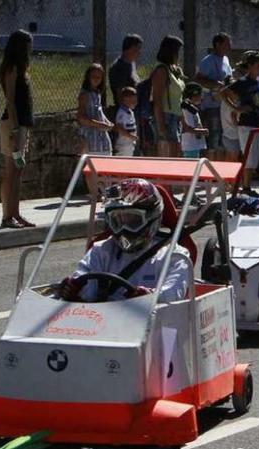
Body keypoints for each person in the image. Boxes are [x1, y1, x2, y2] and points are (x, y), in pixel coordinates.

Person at [58, 178, 191, 304]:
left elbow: (173, 294)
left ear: (152, 219)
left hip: (153, 322)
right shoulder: (100, 251)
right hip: (103, 322)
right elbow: (84, 286)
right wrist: (73, 290)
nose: (124, 229)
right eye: (118, 221)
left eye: (133, 221)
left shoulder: (174, 256)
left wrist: (149, 297)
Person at [0, 29, 34, 229]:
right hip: (14, 124)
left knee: (19, 169)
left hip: (22, 124)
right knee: (11, 170)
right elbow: (10, 101)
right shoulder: (11, 68)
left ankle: (16, 213)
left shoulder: (21, 69)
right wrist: (13, 129)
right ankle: (7, 216)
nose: (30, 48)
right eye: (28, 44)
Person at [224, 51, 259, 191]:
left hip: (258, 122)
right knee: (249, 156)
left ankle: (247, 185)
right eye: (257, 65)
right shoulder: (243, 82)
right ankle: (246, 187)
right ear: (250, 66)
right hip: (247, 123)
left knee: (255, 157)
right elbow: (224, 93)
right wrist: (237, 108)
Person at [195, 32, 233, 159]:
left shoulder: (226, 60)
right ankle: (208, 167)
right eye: (227, 43)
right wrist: (214, 84)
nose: (230, 46)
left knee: (223, 139)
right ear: (218, 44)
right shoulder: (208, 61)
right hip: (211, 106)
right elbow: (199, 79)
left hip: (224, 105)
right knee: (213, 138)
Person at [151, 36, 187, 157]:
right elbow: (157, 99)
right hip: (165, 117)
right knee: (169, 155)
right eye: (177, 51)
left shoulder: (173, 69)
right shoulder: (161, 70)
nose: (179, 55)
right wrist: (161, 126)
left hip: (175, 117)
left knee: (176, 154)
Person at [77, 63, 114, 156]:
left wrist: (107, 122)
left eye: (99, 77)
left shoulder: (97, 94)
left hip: (102, 138)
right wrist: (99, 124)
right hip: (91, 139)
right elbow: (81, 118)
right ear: (88, 77)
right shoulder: (84, 95)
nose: (96, 79)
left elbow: (99, 111)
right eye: (93, 76)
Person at [109, 34, 143, 105]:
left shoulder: (131, 63)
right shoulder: (120, 67)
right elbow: (120, 93)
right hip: (126, 109)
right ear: (130, 48)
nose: (140, 52)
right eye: (138, 48)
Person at [180, 83, 208, 159]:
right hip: (190, 147)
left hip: (195, 146)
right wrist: (203, 131)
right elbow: (186, 128)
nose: (201, 97)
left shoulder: (191, 109)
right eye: (200, 95)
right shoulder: (186, 110)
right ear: (194, 94)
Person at [218, 75, 242, 162]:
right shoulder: (231, 106)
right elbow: (235, 121)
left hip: (227, 135)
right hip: (233, 137)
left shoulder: (225, 102)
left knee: (229, 160)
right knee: (233, 161)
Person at [114, 87, 139, 157]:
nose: (136, 103)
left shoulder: (130, 112)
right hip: (123, 145)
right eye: (133, 100)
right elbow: (120, 129)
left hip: (130, 144)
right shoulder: (122, 112)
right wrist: (131, 136)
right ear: (125, 99)